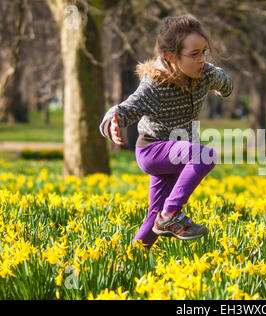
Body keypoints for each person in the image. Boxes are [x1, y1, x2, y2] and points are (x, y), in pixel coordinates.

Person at [99, 15, 233, 249]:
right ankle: (171, 215)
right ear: (171, 57)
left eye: (205, 51)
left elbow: (225, 83)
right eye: (194, 54)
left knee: (154, 216)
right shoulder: (155, 85)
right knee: (205, 155)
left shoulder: (206, 74)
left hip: (178, 151)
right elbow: (128, 107)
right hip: (152, 150)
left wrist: (223, 88)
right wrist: (113, 121)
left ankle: (132, 258)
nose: (202, 59)